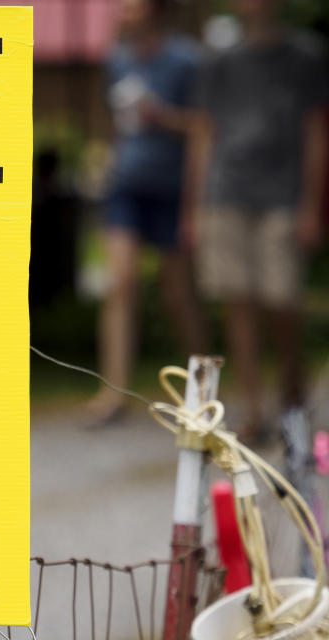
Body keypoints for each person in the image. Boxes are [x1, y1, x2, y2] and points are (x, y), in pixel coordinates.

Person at [183, 0, 328, 442]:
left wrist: (312, 205)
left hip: (282, 196)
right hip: (226, 194)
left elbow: (316, 131)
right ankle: (253, 408)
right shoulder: (218, 59)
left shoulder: (305, 55)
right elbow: (203, 134)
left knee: (281, 297)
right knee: (237, 300)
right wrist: (193, 207)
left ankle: (292, 393)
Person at [89, 0, 206, 424]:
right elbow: (113, 122)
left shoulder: (186, 61)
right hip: (125, 187)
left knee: (178, 295)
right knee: (120, 285)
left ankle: (202, 390)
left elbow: (202, 127)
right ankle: (112, 393)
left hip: (172, 190)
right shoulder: (115, 59)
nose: (122, 10)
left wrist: (161, 116)